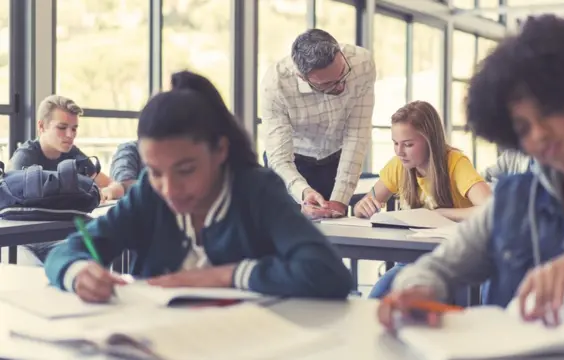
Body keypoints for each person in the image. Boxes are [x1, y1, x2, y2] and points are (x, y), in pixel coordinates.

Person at [378, 15, 564, 330]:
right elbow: (438, 267)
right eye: (522, 127)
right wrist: (417, 290)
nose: (538, 135)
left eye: (550, 112)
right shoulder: (514, 200)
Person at [44, 71, 353, 303]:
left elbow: (328, 274)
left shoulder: (256, 190)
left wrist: (224, 276)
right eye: (155, 171)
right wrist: (77, 273)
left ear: (219, 150)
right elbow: (66, 251)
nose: (169, 188)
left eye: (186, 170)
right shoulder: (148, 195)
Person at [353, 100, 492, 299]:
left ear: (430, 141)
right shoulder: (399, 165)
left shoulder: (455, 163)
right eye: (395, 143)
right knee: (379, 295)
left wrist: (443, 214)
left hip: (457, 260)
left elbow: (491, 208)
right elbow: (366, 202)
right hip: (413, 259)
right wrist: (362, 207)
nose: (399, 152)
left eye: (408, 144)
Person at [261, 29, 376, 219]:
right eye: (327, 84)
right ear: (302, 77)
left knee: (334, 231)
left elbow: (357, 135)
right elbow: (279, 159)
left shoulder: (362, 63)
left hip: (335, 159)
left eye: (342, 74)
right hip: (292, 161)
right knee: (288, 229)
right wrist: (304, 194)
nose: (340, 86)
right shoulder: (275, 85)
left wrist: (340, 199)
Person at [9, 95, 115, 264]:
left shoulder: (72, 153)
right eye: (62, 127)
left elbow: (109, 183)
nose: (69, 135)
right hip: (26, 242)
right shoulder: (23, 159)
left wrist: (108, 191)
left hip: (60, 236)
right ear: (41, 127)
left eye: (74, 129)